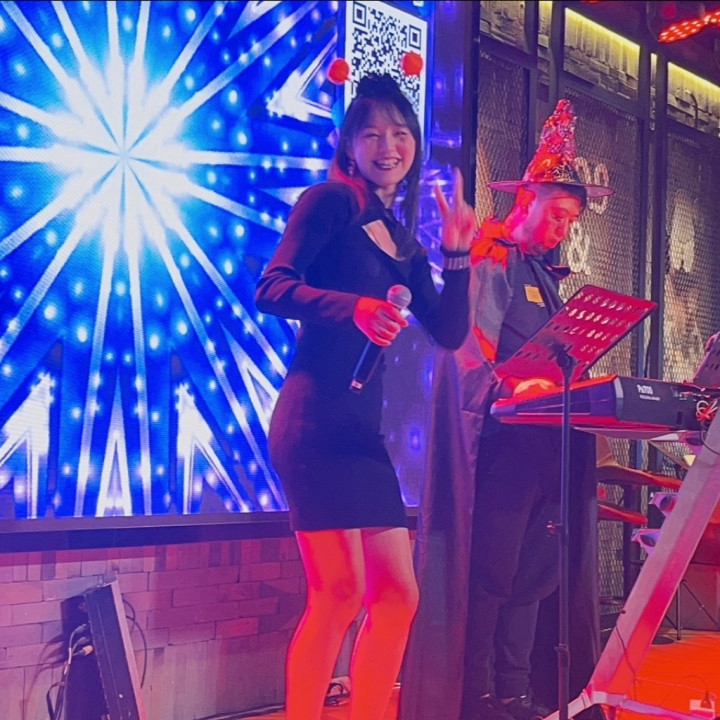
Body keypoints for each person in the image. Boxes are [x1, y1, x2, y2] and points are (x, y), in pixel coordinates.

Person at [255, 73, 477, 720]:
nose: (389, 146)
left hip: (362, 434)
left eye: (401, 134)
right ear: (349, 143)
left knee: (398, 597)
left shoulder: (403, 241)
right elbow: (272, 287)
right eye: (372, 133)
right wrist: (353, 307)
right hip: (314, 421)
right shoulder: (329, 201)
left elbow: (449, 332)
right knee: (338, 593)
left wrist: (457, 255)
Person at [399, 99, 614, 720]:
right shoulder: (492, 260)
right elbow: (467, 354)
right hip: (502, 449)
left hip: (546, 445)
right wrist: (509, 390)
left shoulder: (546, 277)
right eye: (557, 215)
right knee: (493, 575)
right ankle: (478, 697)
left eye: (571, 221)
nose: (563, 229)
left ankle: (517, 694)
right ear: (526, 201)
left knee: (535, 577)